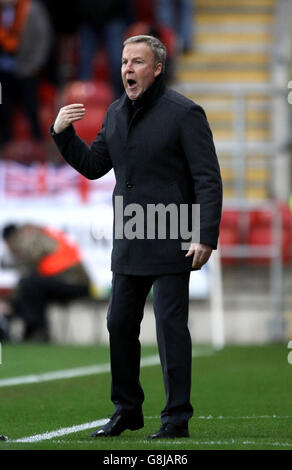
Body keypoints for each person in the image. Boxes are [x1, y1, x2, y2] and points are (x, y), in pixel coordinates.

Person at [51, 35, 222, 439]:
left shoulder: (185, 113)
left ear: (157, 68)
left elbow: (207, 180)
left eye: (138, 62)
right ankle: (127, 409)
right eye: (125, 61)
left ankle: (176, 417)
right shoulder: (113, 114)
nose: (128, 68)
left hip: (172, 235)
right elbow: (94, 166)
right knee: (119, 323)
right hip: (130, 236)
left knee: (169, 325)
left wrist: (205, 235)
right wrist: (62, 134)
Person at [0, 223, 90, 341]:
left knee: (29, 284)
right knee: (32, 289)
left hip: (73, 282)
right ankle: (37, 332)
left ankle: (34, 331)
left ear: (9, 240)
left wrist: (9, 301)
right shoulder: (36, 234)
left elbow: (28, 271)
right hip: (73, 281)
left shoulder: (27, 239)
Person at [0, 0, 52, 145]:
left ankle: (38, 142)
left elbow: (44, 38)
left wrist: (35, 64)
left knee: (31, 105)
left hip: (26, 68)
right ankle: (5, 143)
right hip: (2, 72)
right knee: (2, 104)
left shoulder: (33, 9)